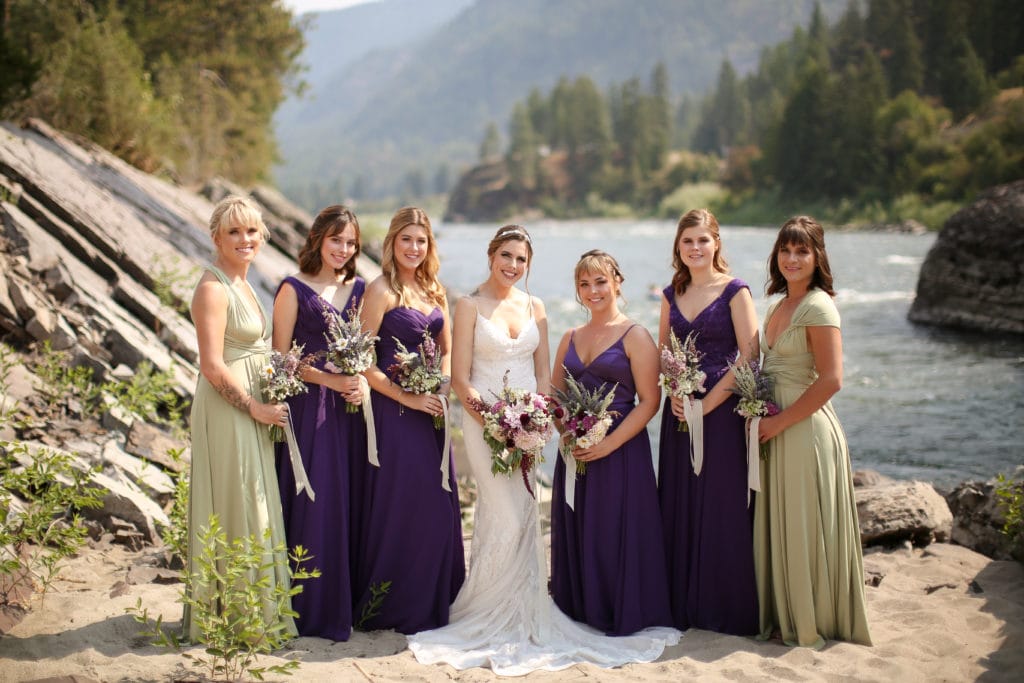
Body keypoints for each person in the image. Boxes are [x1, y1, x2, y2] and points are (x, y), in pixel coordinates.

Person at [409, 229, 678, 674]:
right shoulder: (469, 305)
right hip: (485, 426)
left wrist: (535, 426)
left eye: (520, 259)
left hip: (527, 430)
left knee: (524, 516)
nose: (512, 265)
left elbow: (545, 383)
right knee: (507, 516)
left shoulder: (537, 308)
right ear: (491, 256)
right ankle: (488, 609)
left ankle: (523, 607)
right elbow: (460, 378)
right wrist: (497, 423)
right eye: (505, 256)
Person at [754, 216, 872, 649]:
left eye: (802, 251)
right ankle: (786, 614)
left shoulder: (820, 306)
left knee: (803, 524)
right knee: (783, 520)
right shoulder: (776, 304)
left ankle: (809, 620)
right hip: (773, 426)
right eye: (785, 250)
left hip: (804, 428)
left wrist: (779, 422)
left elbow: (832, 379)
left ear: (817, 256)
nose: (791, 258)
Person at [550, 250, 679, 638]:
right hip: (575, 452)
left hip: (621, 452)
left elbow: (650, 403)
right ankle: (580, 606)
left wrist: (608, 444)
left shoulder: (635, 335)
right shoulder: (570, 336)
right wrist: (566, 432)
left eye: (601, 281)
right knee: (578, 526)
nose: (593, 291)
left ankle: (616, 607)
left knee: (612, 532)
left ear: (617, 283)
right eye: (585, 284)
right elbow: (554, 394)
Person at [184, 195, 296, 642]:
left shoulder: (247, 283)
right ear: (216, 237)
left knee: (256, 503)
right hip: (228, 408)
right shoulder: (212, 287)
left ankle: (254, 612)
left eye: (251, 231)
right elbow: (212, 365)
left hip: (254, 405)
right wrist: (254, 406)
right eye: (234, 231)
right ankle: (234, 618)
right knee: (240, 502)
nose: (244, 239)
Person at [351, 207, 465, 634]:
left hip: (432, 412)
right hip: (394, 413)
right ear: (392, 244)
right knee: (402, 505)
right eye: (406, 240)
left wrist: (443, 384)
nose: (414, 248)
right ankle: (393, 607)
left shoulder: (435, 290)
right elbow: (362, 361)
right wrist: (406, 397)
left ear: (429, 245)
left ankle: (434, 600)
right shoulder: (380, 290)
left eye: (421, 241)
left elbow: (448, 347)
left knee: (436, 507)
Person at [657, 208, 759, 635]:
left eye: (702, 240)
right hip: (680, 414)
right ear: (678, 248)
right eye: (687, 241)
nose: (695, 248)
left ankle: (722, 606)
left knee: (720, 504)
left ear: (716, 243)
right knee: (680, 502)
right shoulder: (670, 293)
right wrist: (675, 393)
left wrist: (709, 402)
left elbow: (751, 356)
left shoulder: (736, 291)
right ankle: (681, 604)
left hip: (723, 412)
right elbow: (663, 352)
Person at [271, 205, 366, 641]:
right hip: (310, 409)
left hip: (351, 412)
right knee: (315, 500)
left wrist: (360, 382)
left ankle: (346, 602)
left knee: (350, 499)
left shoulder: (362, 290)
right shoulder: (292, 288)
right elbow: (280, 357)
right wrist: (330, 378)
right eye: (336, 241)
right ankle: (307, 608)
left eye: (350, 243)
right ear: (317, 240)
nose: (343, 250)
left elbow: (372, 352)